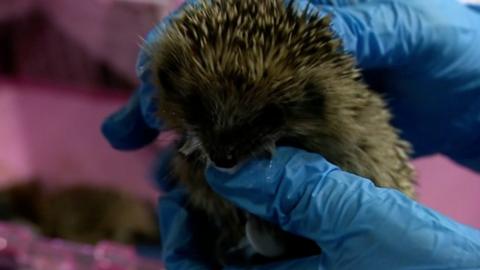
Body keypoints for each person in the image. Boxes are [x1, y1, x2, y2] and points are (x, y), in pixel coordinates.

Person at [101, 0, 480, 269]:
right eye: (201, 110)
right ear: (169, 80)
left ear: (313, 103)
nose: (224, 151)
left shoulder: (329, 113)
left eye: (263, 118)